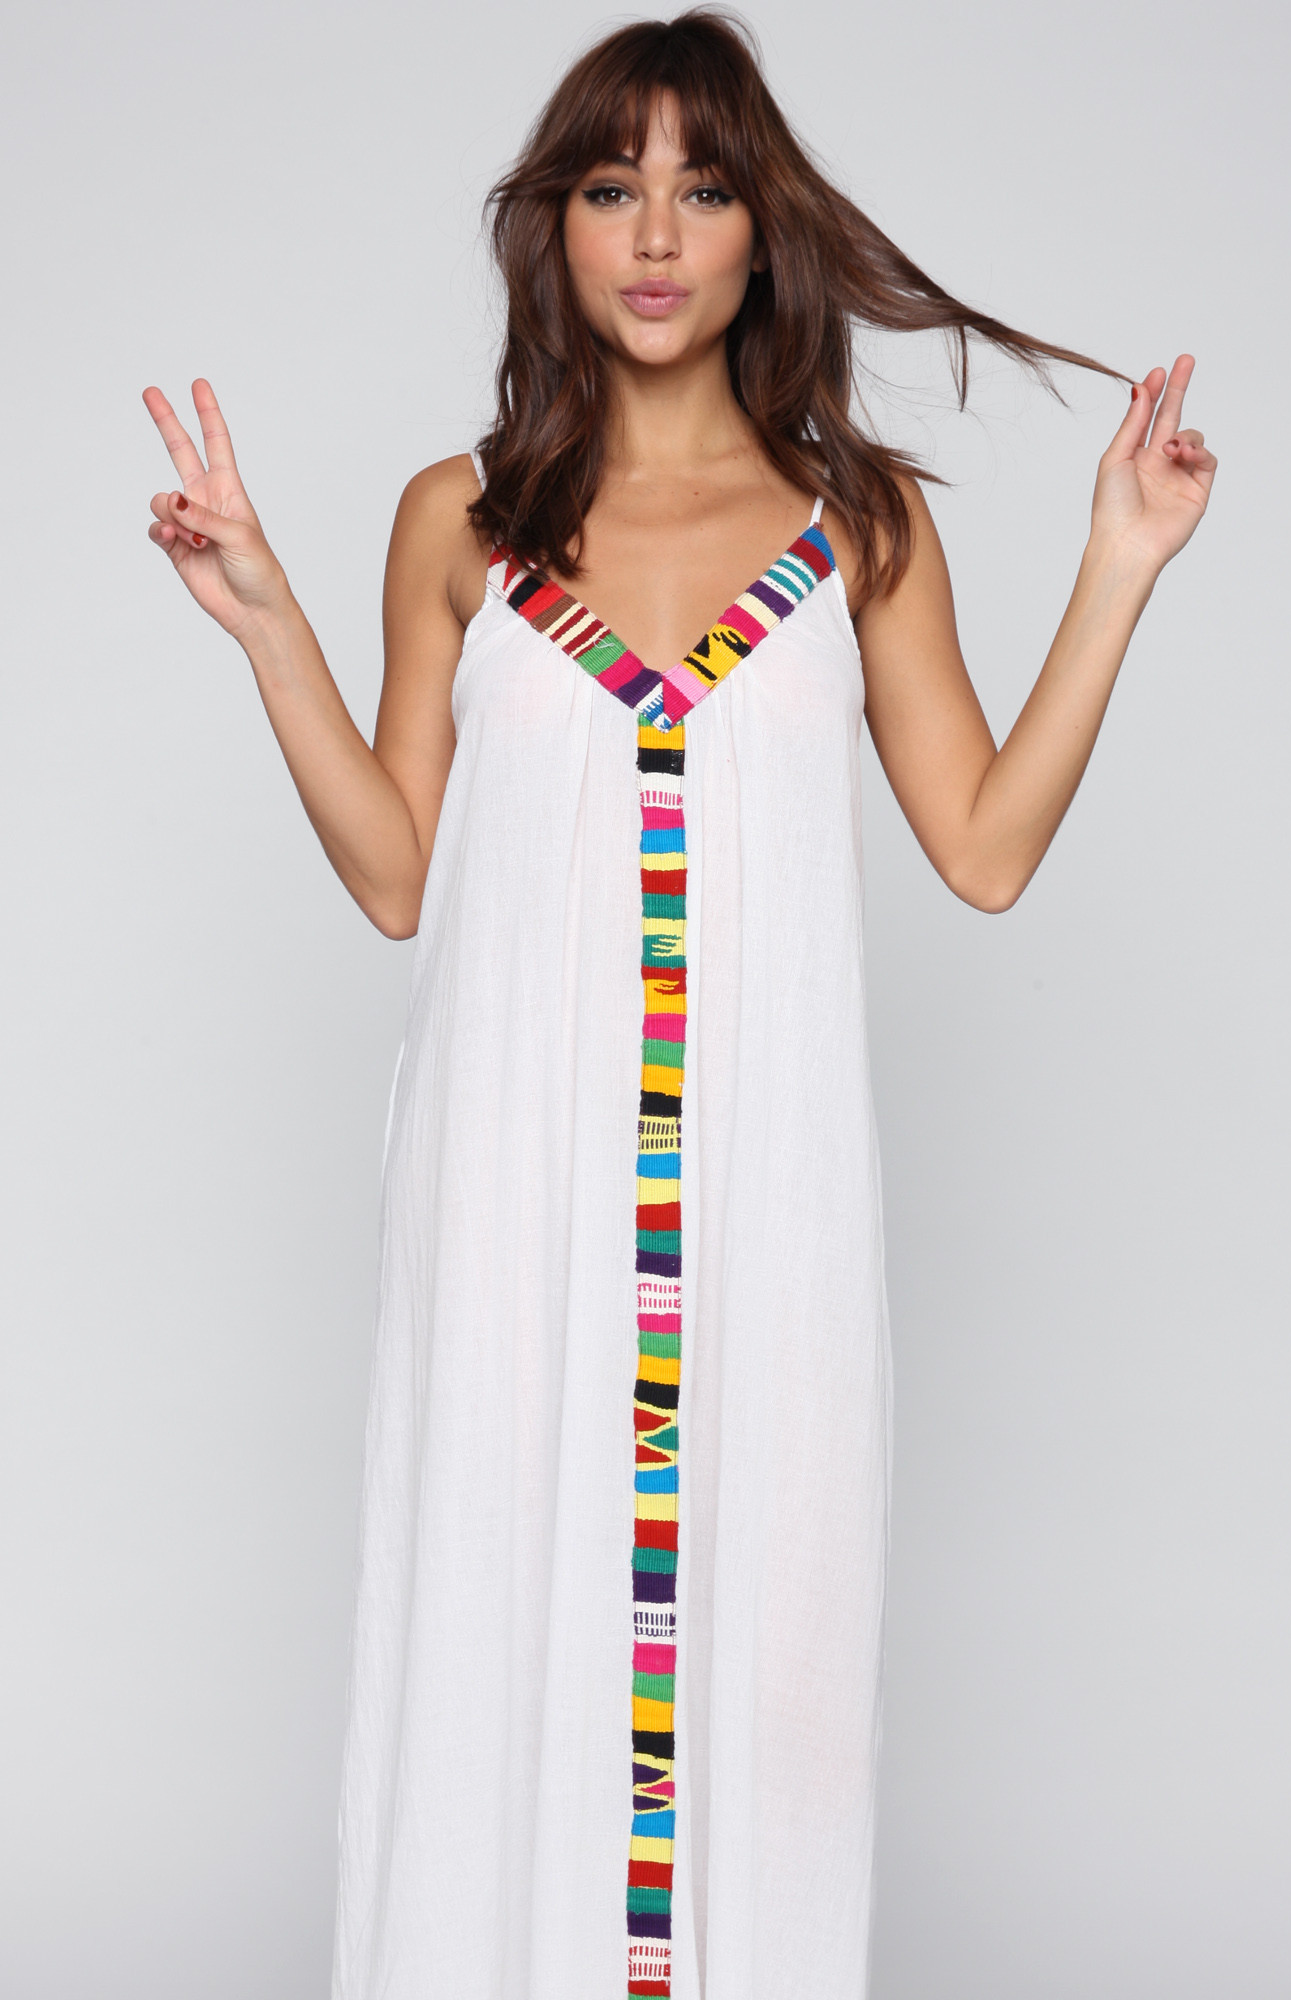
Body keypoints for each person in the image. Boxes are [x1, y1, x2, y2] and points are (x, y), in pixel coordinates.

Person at [141, 12, 1215, 1997]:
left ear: (758, 231)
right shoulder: (458, 523)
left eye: (701, 189)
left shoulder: (854, 526)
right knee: (501, 1633)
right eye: (609, 187)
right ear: (550, 228)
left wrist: (1119, 564)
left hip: (765, 1223)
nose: (653, 235)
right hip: (512, 1204)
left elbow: (984, 847)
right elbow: (394, 873)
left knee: (765, 1683)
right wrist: (268, 621)